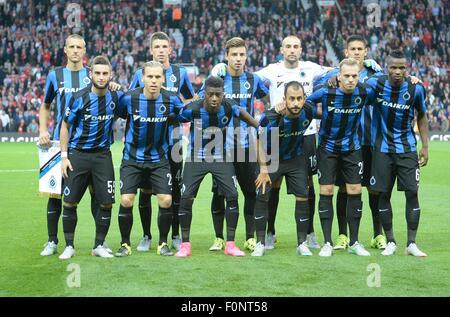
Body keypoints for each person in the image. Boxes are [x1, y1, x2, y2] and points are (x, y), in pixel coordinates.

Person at [38, 34, 119, 256]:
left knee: (98, 194)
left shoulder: (92, 75)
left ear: (85, 51)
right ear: (65, 50)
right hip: (58, 142)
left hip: (91, 146)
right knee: (55, 193)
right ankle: (52, 241)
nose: (75, 51)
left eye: (79, 47)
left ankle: (99, 243)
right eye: (71, 47)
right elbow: (45, 105)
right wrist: (43, 130)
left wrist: (111, 84)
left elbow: (107, 92)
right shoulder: (55, 75)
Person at [314, 35, 386, 251]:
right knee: (341, 189)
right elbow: (312, 92)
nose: (356, 52)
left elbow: (392, 84)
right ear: (346, 52)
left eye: (360, 48)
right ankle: (342, 236)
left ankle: (377, 235)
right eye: (352, 49)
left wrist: (383, 71)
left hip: (368, 141)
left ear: (366, 52)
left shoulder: (374, 76)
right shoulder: (333, 77)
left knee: (373, 189)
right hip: (338, 143)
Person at [175, 76, 258, 258]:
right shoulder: (193, 109)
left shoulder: (228, 106)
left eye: (217, 95)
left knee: (233, 195)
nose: (214, 98)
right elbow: (176, 115)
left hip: (221, 157)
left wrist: (258, 126)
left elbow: (242, 113)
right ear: (204, 94)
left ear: (223, 94)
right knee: (186, 197)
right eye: (210, 94)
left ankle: (230, 244)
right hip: (196, 158)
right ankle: (185, 245)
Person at [199, 37, 268, 252]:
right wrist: (212, 75)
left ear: (246, 56)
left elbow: (267, 98)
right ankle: (219, 238)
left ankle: (249, 237)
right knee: (220, 193)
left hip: (246, 146)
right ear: (226, 56)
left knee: (250, 192)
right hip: (221, 146)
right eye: (234, 55)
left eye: (242, 54)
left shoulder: (253, 79)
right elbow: (201, 100)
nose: (238, 59)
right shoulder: (218, 78)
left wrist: (262, 122)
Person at [129, 31, 196, 252]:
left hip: (174, 140)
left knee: (175, 189)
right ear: (151, 50)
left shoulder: (180, 73)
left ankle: (174, 234)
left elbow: (190, 100)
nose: (160, 50)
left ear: (170, 49)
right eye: (156, 47)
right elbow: (131, 100)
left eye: (164, 47)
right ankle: (147, 235)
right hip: (148, 142)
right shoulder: (141, 73)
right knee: (145, 190)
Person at [115, 61, 185, 257]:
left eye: (157, 77)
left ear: (163, 79)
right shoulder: (129, 98)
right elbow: (119, 113)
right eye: (150, 77)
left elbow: (186, 113)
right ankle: (125, 244)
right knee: (127, 200)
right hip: (131, 158)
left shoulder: (171, 99)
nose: (154, 81)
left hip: (159, 159)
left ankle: (163, 243)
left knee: (166, 200)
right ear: (142, 78)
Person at [308, 58, 375, 257]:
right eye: (346, 76)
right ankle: (327, 242)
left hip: (352, 148)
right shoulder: (326, 92)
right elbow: (307, 103)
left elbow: (385, 90)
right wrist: (322, 115)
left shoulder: (364, 92)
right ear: (338, 76)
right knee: (326, 190)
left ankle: (354, 242)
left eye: (354, 76)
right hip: (328, 148)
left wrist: (413, 79)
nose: (350, 80)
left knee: (355, 190)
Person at [366, 50, 429, 257]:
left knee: (412, 193)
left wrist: (425, 146)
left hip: (407, 149)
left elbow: (422, 116)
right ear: (387, 67)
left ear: (407, 68)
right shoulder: (376, 84)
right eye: (394, 67)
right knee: (383, 194)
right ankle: (390, 241)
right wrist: (334, 79)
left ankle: (411, 243)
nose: (398, 71)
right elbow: (354, 89)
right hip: (382, 150)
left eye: (402, 67)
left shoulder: (416, 88)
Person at [58, 56, 121, 260]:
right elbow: (65, 126)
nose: (101, 77)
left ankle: (99, 245)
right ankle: (69, 246)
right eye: (98, 73)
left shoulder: (116, 97)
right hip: (78, 155)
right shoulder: (79, 97)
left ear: (110, 75)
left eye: (105, 73)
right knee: (70, 202)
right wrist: (64, 156)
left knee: (106, 203)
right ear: (90, 74)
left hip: (102, 155)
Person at [252, 81, 318, 257]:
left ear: (304, 99)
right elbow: (257, 140)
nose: (295, 103)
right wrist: (263, 170)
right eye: (291, 99)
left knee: (303, 196)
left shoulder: (310, 110)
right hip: (271, 159)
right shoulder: (272, 116)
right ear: (284, 99)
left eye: (299, 99)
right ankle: (260, 243)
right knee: (263, 194)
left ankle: (302, 244)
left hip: (295, 158)